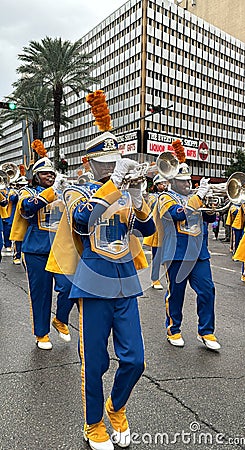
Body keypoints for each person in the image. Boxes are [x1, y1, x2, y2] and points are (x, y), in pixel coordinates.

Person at [48, 130, 155, 450]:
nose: (110, 168)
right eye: (104, 163)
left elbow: (147, 230)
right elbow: (82, 221)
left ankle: (116, 407)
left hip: (124, 282)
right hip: (94, 284)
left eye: (114, 162)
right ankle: (93, 424)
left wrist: (137, 200)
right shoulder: (76, 191)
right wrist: (113, 187)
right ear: (88, 162)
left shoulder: (122, 192)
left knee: (135, 360)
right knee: (95, 362)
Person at [10, 155, 76, 350]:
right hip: (36, 251)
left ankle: (61, 319)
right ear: (36, 176)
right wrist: (51, 191)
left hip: (61, 250)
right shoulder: (27, 192)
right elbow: (27, 209)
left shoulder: (62, 192)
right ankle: (42, 334)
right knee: (41, 294)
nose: (49, 175)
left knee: (68, 287)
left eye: (51, 173)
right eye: (44, 173)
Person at [154, 162, 221, 351]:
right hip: (176, 254)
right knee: (176, 294)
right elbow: (178, 214)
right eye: (182, 181)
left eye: (188, 181)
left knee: (207, 291)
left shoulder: (194, 197)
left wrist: (210, 205)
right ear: (173, 181)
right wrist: (199, 196)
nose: (187, 185)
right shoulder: (165, 197)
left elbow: (208, 219)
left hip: (199, 253)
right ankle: (173, 329)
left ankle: (206, 331)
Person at [143, 173, 169, 289]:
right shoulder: (153, 197)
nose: (164, 185)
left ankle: (169, 279)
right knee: (156, 257)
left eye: (165, 183)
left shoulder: (169, 195)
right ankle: (155, 279)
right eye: (162, 184)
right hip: (157, 231)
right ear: (156, 185)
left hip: (169, 231)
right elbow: (154, 207)